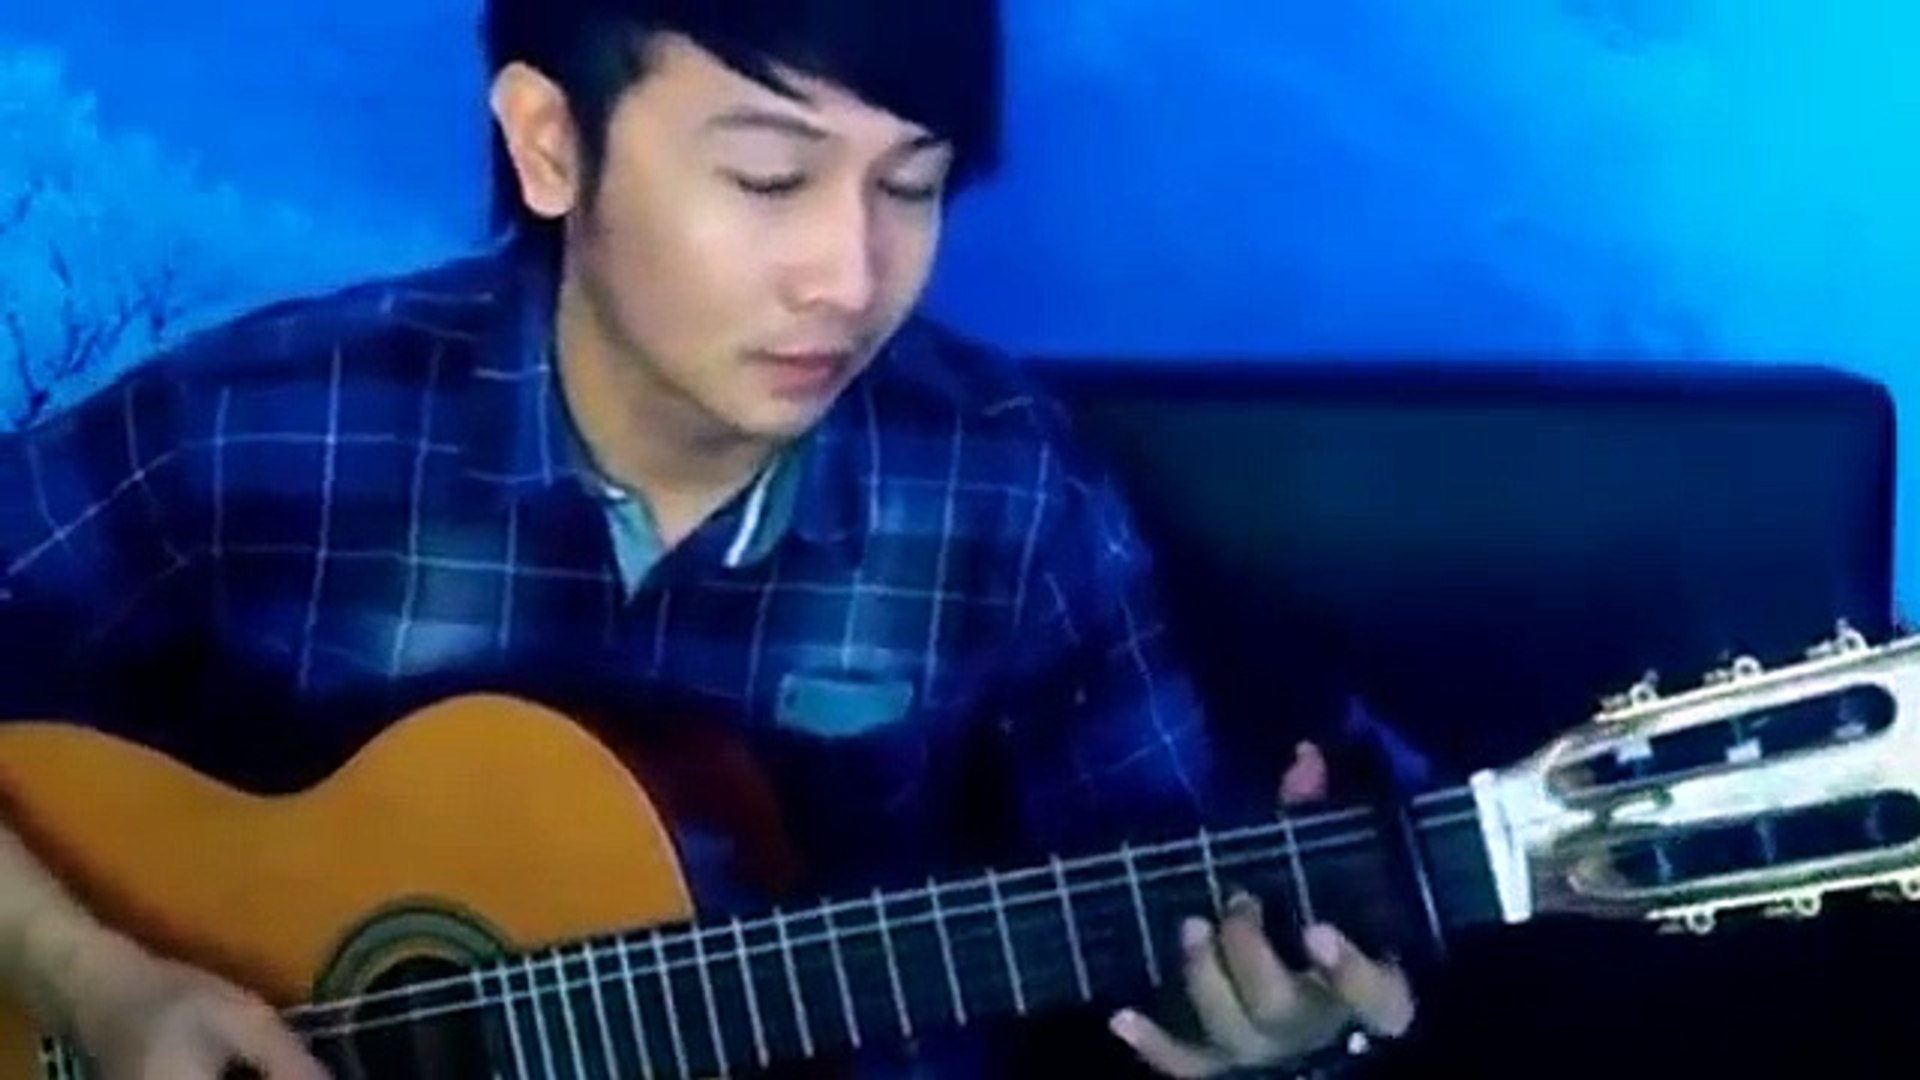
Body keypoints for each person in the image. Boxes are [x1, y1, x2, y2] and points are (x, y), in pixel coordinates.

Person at [0, 2, 1413, 1077]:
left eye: (910, 186)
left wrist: (1276, 1024)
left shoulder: (1010, 485)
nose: (850, 279)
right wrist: (85, 977)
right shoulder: (271, 422)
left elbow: (1173, 898)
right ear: (552, 146)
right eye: (768, 180)